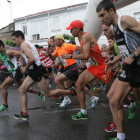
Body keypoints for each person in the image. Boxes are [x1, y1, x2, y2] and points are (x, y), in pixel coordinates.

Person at [96, 0, 140, 140]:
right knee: (115, 101)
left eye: (103, 15)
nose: (102, 19)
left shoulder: (125, 20)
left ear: (111, 11)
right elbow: (125, 51)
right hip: (129, 69)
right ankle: (121, 137)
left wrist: (134, 56)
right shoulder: (115, 29)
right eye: (99, 17)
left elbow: (132, 52)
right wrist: (114, 61)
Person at [11, 31, 76, 120]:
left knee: (48, 94)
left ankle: (71, 91)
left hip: (38, 70)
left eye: (14, 40)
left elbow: (32, 59)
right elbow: (27, 56)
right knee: (22, 89)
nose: (14, 42)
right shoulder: (26, 44)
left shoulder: (24, 45)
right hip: (33, 71)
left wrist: (25, 68)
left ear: (19, 37)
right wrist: (23, 64)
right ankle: (25, 113)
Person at [62, 20, 114, 120]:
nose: (70, 32)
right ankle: (83, 112)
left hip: (102, 66)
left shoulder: (86, 36)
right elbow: (86, 54)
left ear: (77, 29)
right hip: (93, 67)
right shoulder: (80, 39)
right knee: (78, 85)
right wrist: (85, 58)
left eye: (71, 29)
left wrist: (70, 56)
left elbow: (85, 54)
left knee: (114, 92)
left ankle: (130, 104)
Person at [0, 40, 45, 112]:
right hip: (12, 72)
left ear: (1, 46)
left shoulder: (8, 52)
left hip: (16, 71)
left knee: (3, 86)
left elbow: (20, 53)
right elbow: (2, 63)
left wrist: (22, 63)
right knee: (23, 88)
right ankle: (39, 93)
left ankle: (5, 105)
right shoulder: (1, 54)